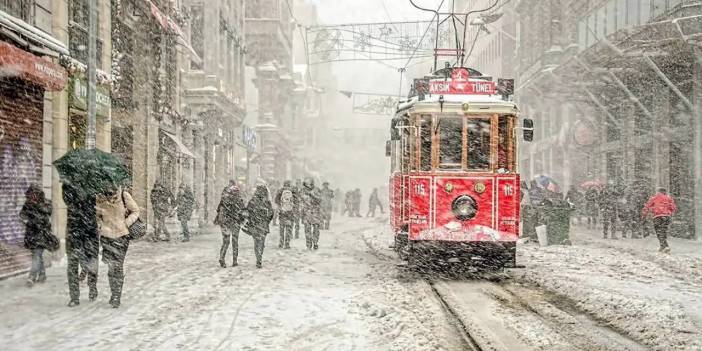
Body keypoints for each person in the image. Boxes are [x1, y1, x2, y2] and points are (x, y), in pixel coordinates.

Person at [95, 184, 140, 308]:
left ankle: (116, 296)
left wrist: (126, 223)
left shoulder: (124, 195)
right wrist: (100, 225)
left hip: (122, 236)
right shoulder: (100, 197)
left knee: (118, 266)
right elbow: (97, 215)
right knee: (111, 267)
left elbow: (136, 211)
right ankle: (114, 292)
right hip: (107, 237)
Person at [62, 181, 99, 307]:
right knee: (72, 265)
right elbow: (67, 200)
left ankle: (92, 287)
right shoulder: (68, 185)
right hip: (74, 231)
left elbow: (97, 204)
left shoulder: (94, 183)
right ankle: (74, 296)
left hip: (89, 231)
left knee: (91, 261)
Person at [20, 184, 52, 287]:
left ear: (38, 194)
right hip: (31, 235)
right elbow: (22, 215)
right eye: (30, 195)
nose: (32, 197)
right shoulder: (28, 203)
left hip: (42, 234)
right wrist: (26, 216)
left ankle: (32, 276)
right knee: (37, 256)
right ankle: (42, 274)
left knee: (36, 255)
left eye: (34, 194)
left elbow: (47, 215)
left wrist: (36, 207)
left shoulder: (46, 203)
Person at [214, 184, 246, 268]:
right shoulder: (239, 200)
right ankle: (235, 261)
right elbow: (243, 212)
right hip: (235, 223)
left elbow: (218, 210)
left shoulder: (224, 199)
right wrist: (241, 220)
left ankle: (222, 258)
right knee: (235, 242)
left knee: (226, 242)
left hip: (225, 223)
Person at [244, 185, 274, 268]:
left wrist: (250, 219)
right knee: (262, 242)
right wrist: (267, 221)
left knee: (256, 242)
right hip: (263, 224)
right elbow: (271, 213)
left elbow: (247, 212)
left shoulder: (252, 201)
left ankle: (258, 257)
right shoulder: (267, 202)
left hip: (254, 224)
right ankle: (259, 257)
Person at [641, 187, 677, 253]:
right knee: (663, 231)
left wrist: (644, 215)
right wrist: (669, 212)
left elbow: (647, 206)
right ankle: (662, 246)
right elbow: (673, 208)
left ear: (658, 192)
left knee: (659, 232)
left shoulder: (654, 198)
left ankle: (665, 246)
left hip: (657, 216)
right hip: (666, 217)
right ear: (664, 192)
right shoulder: (669, 198)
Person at [300, 178, 322, 250]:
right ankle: (308, 244)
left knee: (316, 229)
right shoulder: (302, 190)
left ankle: (315, 242)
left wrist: (312, 195)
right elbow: (300, 200)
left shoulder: (317, 190)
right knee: (307, 229)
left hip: (315, 212)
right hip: (306, 212)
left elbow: (320, 200)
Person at [275, 181, 297, 249]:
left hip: (282, 212)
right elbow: (296, 201)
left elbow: (276, 200)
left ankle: (281, 243)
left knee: (282, 229)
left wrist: (281, 206)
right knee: (289, 228)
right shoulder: (293, 191)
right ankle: (287, 243)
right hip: (290, 212)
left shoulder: (280, 191)